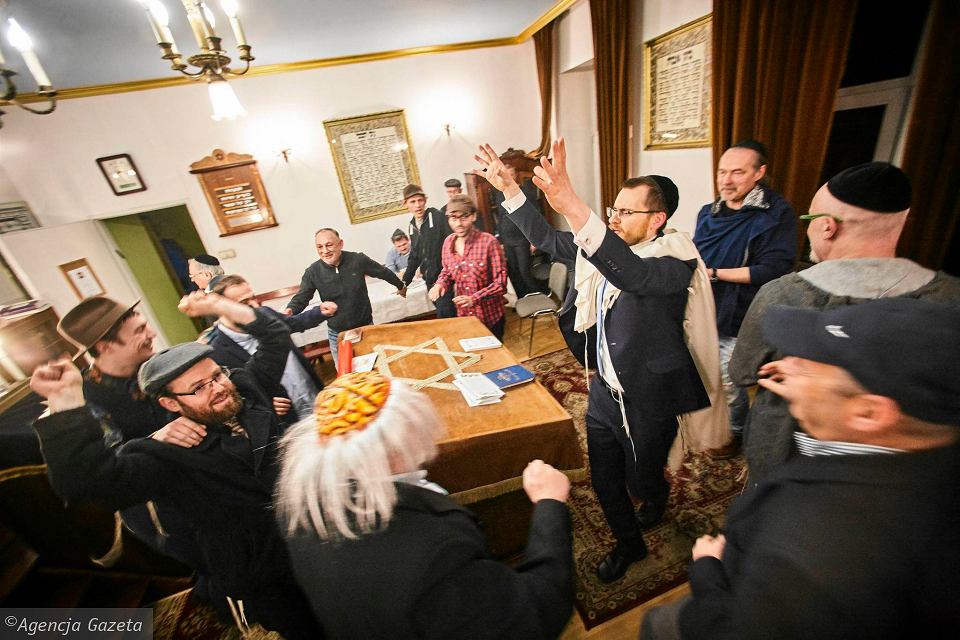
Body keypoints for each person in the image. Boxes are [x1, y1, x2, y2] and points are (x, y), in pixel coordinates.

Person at [474, 140, 722, 583]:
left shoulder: (674, 262)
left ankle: (655, 496)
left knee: (641, 479)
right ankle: (629, 544)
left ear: (657, 219)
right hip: (605, 392)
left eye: (627, 211)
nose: (614, 217)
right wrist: (510, 189)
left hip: (648, 398)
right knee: (605, 479)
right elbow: (546, 238)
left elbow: (632, 274)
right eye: (613, 209)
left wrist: (572, 204)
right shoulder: (601, 249)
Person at [642, 298, 960, 640]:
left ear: (868, 413)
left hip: (728, 602)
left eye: (808, 365)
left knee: (656, 624)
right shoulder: (923, 449)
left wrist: (708, 571)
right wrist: (814, 398)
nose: (787, 363)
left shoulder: (818, 555)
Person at [30, 292, 320, 639]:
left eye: (218, 376)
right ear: (170, 403)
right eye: (198, 388)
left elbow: (273, 337)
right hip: (226, 539)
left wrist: (218, 305)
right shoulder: (150, 443)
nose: (216, 388)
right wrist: (66, 400)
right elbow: (88, 479)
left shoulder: (234, 383)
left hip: (304, 536)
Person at [277, 371, 574, 638]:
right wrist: (549, 503)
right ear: (394, 447)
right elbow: (537, 611)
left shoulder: (303, 506)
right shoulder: (437, 561)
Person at [729, 161, 960, 484]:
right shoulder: (951, 296)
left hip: (789, 454)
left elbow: (742, 372)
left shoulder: (783, 294)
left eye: (809, 219)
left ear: (827, 226)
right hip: (908, 471)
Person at [693, 140, 797, 459]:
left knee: (729, 379)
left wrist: (715, 273)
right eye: (722, 172)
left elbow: (774, 269)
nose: (726, 180)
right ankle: (708, 423)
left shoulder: (776, 214)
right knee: (702, 372)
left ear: (759, 173)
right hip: (705, 308)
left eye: (737, 172)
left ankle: (734, 432)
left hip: (743, 313)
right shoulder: (708, 213)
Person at [209, 274, 337, 422]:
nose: (256, 306)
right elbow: (230, 400)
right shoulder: (218, 353)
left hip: (315, 399)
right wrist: (262, 402)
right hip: (286, 422)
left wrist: (319, 312)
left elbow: (292, 323)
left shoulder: (264, 314)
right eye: (244, 303)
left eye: (253, 298)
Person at [285, 228, 407, 368]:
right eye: (319, 247)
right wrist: (290, 310)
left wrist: (400, 286)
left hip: (366, 329)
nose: (325, 251)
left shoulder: (357, 260)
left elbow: (383, 272)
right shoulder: (313, 272)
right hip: (338, 335)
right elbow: (302, 297)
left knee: (377, 370)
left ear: (340, 244)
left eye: (329, 245)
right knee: (345, 375)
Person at [428, 194, 508, 339]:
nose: (458, 223)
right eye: (454, 218)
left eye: (464, 217)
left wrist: (474, 298)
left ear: (473, 216)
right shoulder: (448, 243)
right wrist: (439, 284)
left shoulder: (489, 243)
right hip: (465, 318)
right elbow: (447, 271)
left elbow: (500, 284)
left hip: (491, 318)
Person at [490, 156, 546, 298]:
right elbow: (500, 217)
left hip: (522, 239)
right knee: (514, 271)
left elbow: (535, 216)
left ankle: (539, 297)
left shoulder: (526, 192)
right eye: (505, 175)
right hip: (507, 240)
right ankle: (523, 299)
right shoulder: (499, 194)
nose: (508, 178)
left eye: (511, 175)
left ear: (515, 176)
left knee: (525, 271)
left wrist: (534, 240)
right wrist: (500, 241)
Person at [400, 184, 456, 318]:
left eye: (420, 200)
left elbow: (452, 243)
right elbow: (415, 256)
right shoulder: (412, 226)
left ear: (425, 200)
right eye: (413, 202)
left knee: (446, 316)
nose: (418, 205)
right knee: (445, 314)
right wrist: (405, 282)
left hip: (445, 278)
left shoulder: (437, 217)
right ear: (405, 204)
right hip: (429, 280)